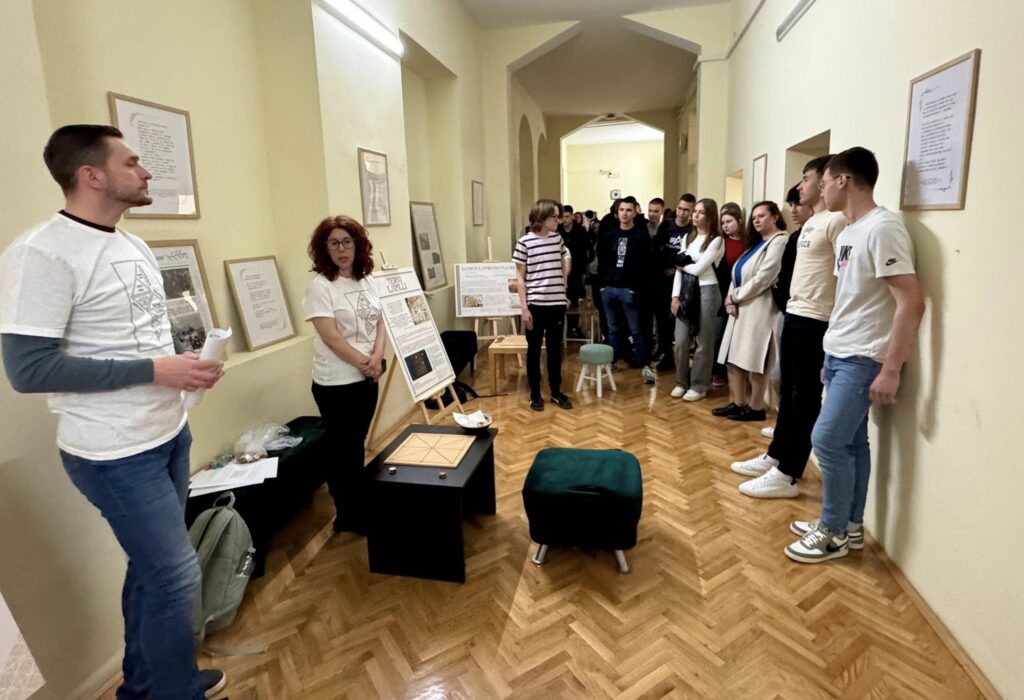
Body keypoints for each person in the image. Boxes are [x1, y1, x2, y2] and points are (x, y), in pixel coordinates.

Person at [0, 125, 227, 699]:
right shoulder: (39, 254)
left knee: (150, 569)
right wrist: (156, 370)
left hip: (167, 432)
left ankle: (147, 685)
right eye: (131, 162)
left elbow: (135, 340)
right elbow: (29, 371)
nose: (146, 171)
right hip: (113, 453)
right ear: (91, 175)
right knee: (175, 575)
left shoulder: (133, 245)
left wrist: (184, 366)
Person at [785, 147, 924, 563]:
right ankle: (850, 525)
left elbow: (911, 302)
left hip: (865, 357)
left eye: (824, 181)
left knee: (825, 440)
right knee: (852, 443)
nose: (819, 189)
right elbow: (850, 300)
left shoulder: (883, 228)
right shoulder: (848, 232)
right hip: (839, 352)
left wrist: (892, 368)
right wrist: (829, 353)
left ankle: (832, 533)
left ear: (843, 180)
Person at [737, 157, 848, 498]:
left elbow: (845, 277)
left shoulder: (837, 221)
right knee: (789, 393)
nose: (801, 185)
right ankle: (777, 455)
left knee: (804, 397)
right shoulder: (813, 223)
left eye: (806, 178)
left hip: (817, 319)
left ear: (825, 181)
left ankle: (788, 473)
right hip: (796, 313)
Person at [302, 215, 385, 534]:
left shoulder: (367, 280)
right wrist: (366, 363)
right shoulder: (321, 287)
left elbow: (380, 321)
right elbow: (331, 337)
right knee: (343, 450)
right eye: (334, 243)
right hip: (336, 384)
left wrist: (377, 358)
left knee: (355, 445)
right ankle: (347, 515)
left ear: (357, 245)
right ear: (324, 248)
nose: (341, 249)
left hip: (367, 378)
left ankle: (356, 504)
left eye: (347, 242)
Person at [712, 201, 788, 421]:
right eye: (754, 217)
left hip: (760, 307)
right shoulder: (755, 243)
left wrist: (735, 297)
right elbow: (737, 273)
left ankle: (756, 408)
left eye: (761, 216)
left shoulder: (779, 241)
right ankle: (738, 403)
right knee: (733, 357)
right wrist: (730, 299)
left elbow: (764, 278)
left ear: (775, 217)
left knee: (755, 359)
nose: (756, 220)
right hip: (741, 306)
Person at [513, 199, 573, 411]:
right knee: (534, 351)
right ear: (541, 218)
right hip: (536, 304)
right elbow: (520, 277)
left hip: (556, 304)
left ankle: (556, 391)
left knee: (556, 351)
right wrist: (524, 308)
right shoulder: (524, 243)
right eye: (554, 217)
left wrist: (563, 288)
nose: (558, 221)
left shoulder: (557, 238)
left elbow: (563, 262)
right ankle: (535, 394)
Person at [669, 198, 724, 401]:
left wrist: (681, 263)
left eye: (701, 212)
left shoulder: (716, 240)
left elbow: (699, 269)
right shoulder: (688, 237)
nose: (695, 215)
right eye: (695, 211)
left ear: (710, 216)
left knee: (703, 340)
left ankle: (699, 385)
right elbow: (679, 271)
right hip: (686, 290)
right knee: (681, 340)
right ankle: (681, 382)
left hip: (707, 290)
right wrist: (675, 296)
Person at [597, 198, 656, 384]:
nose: (625, 213)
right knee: (612, 329)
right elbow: (602, 260)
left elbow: (646, 264)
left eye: (628, 210)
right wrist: (603, 286)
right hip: (609, 288)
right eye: (622, 209)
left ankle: (645, 365)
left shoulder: (641, 235)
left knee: (636, 329)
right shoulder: (609, 235)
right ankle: (612, 361)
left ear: (635, 212)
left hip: (629, 290)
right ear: (617, 212)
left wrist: (635, 288)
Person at [651, 194, 696, 370]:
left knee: (681, 321)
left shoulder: (692, 231)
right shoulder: (666, 226)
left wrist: (678, 268)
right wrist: (665, 267)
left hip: (684, 279)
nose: (682, 213)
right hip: (663, 279)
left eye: (686, 210)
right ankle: (666, 354)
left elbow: (691, 256)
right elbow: (656, 251)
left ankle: (682, 358)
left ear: (691, 212)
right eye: (680, 208)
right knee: (662, 320)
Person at [711, 202, 745, 388]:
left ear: (739, 220)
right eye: (723, 222)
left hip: (743, 292)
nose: (725, 226)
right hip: (722, 292)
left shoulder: (749, 242)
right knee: (720, 333)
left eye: (729, 221)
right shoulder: (721, 242)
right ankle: (718, 371)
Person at [558, 204, 591, 338]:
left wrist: (583, 271)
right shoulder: (558, 231)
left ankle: (573, 327)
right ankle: (560, 328)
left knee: (574, 300)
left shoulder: (580, 231)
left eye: (567, 216)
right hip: (559, 271)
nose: (564, 220)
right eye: (562, 217)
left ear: (572, 216)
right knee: (559, 300)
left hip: (576, 271)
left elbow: (585, 253)